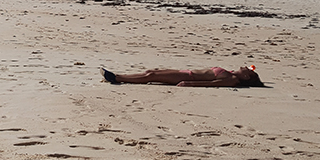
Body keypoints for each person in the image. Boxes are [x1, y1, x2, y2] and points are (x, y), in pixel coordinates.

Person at [102, 66, 264, 87]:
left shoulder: (232, 79)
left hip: (188, 78)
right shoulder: (231, 73)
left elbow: (212, 83)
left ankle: (117, 78)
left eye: (250, 70)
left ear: (246, 77)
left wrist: (188, 83)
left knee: (151, 76)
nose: (246, 66)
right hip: (185, 72)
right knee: (151, 71)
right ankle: (119, 76)